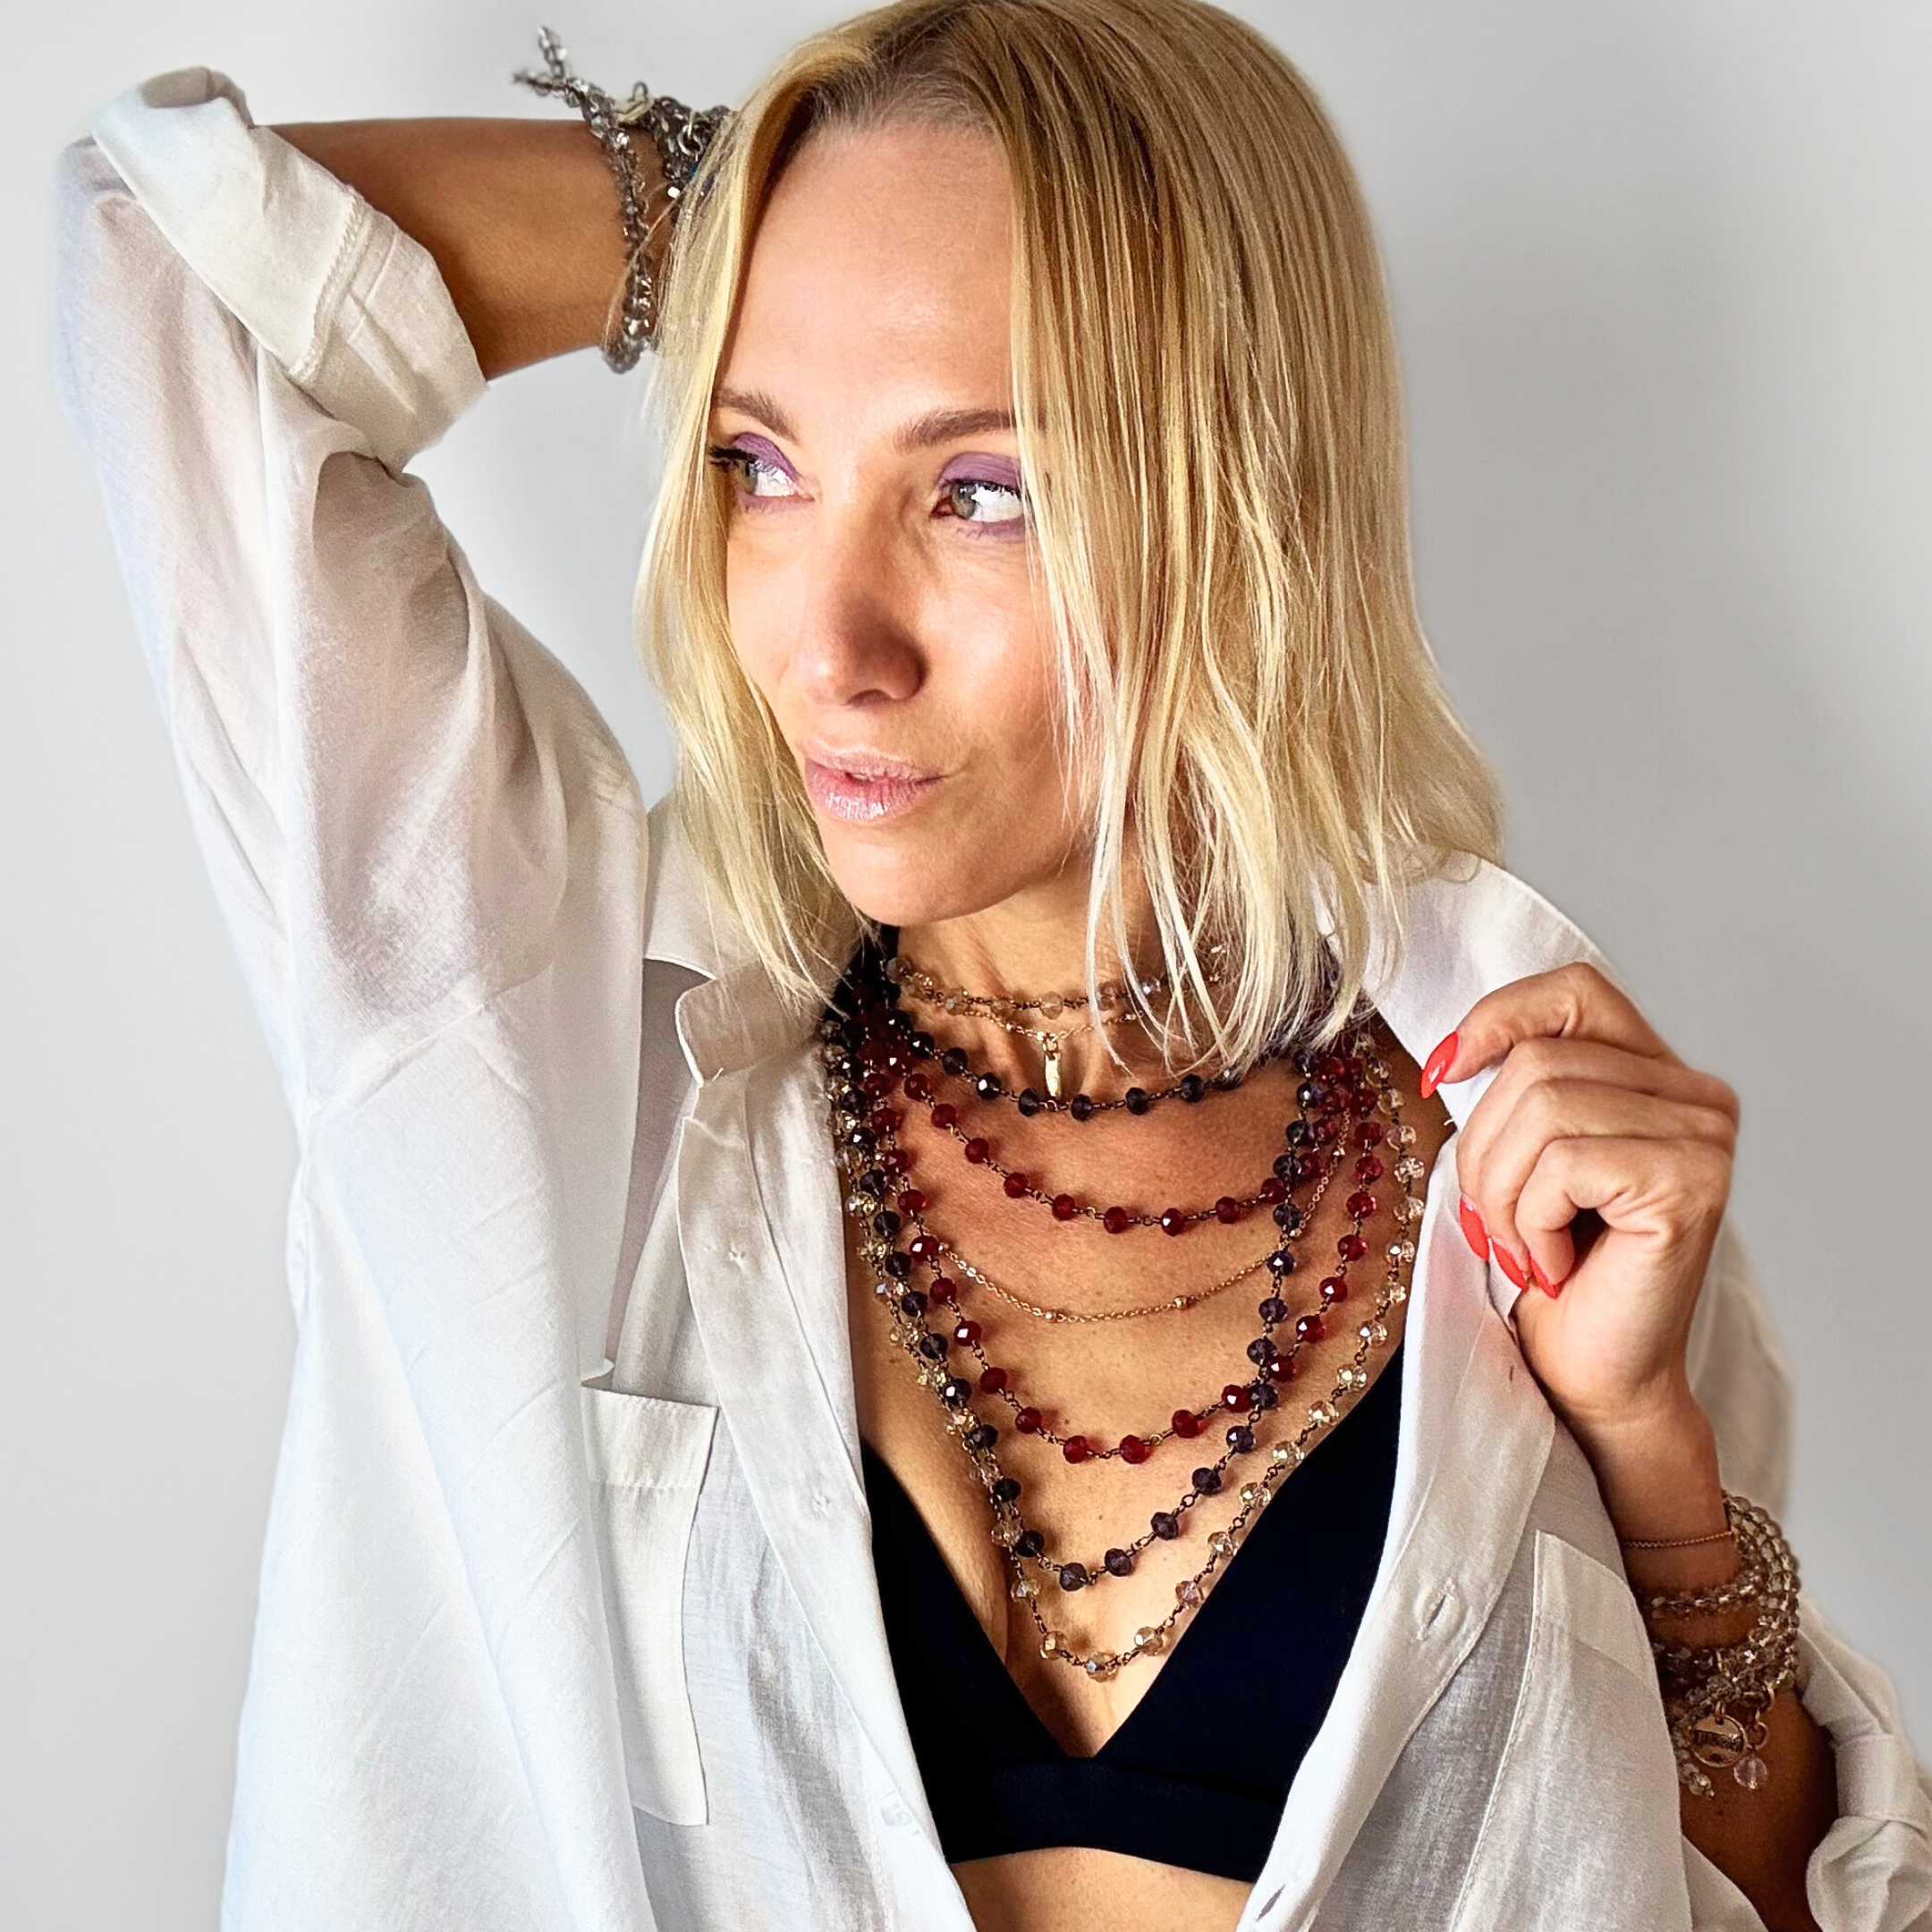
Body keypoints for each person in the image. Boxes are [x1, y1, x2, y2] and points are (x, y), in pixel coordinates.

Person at [51, 3, 1931, 1928]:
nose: (828, 642)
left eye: (977, 491)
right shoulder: (532, 1033)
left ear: (1235, 497)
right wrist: (765, 218)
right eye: (755, 460)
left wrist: (1647, 1458)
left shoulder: (1529, 1154)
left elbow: (1796, 1908)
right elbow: (173, 257)